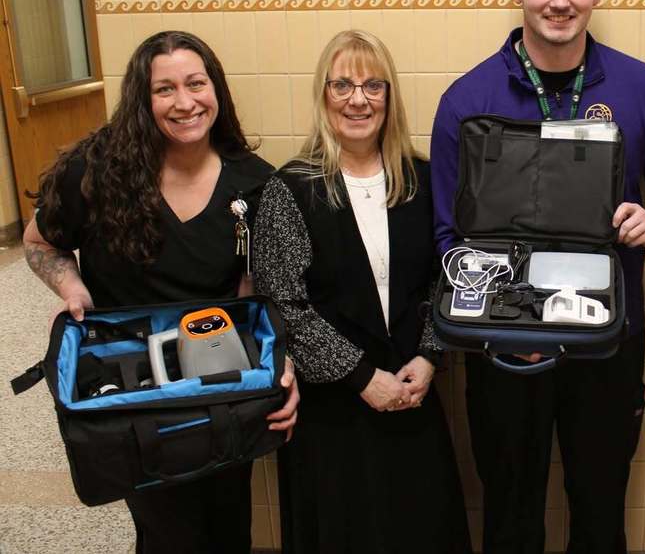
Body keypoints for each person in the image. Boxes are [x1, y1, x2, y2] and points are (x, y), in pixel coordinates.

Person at [430, 0, 645, 553]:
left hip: (605, 341)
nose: (560, 0)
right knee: (510, 506)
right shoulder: (467, 99)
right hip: (502, 345)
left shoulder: (640, 87)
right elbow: (448, 233)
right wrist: (502, 321)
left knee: (600, 503)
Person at [23, 30, 299, 554]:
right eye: (164, 89)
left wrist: (280, 368)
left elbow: (256, 294)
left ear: (215, 88)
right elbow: (39, 243)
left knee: (227, 525)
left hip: (221, 388)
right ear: (142, 100)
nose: (185, 102)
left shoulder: (254, 183)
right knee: (170, 531)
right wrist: (71, 284)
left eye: (196, 83)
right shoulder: (95, 171)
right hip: (134, 395)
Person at [252, 29, 471, 554]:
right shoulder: (292, 188)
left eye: (374, 85)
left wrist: (429, 357)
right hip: (332, 412)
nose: (358, 99)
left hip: (411, 392)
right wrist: (360, 377)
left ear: (390, 97)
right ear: (322, 95)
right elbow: (285, 303)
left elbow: (451, 275)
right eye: (342, 85)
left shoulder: (421, 180)